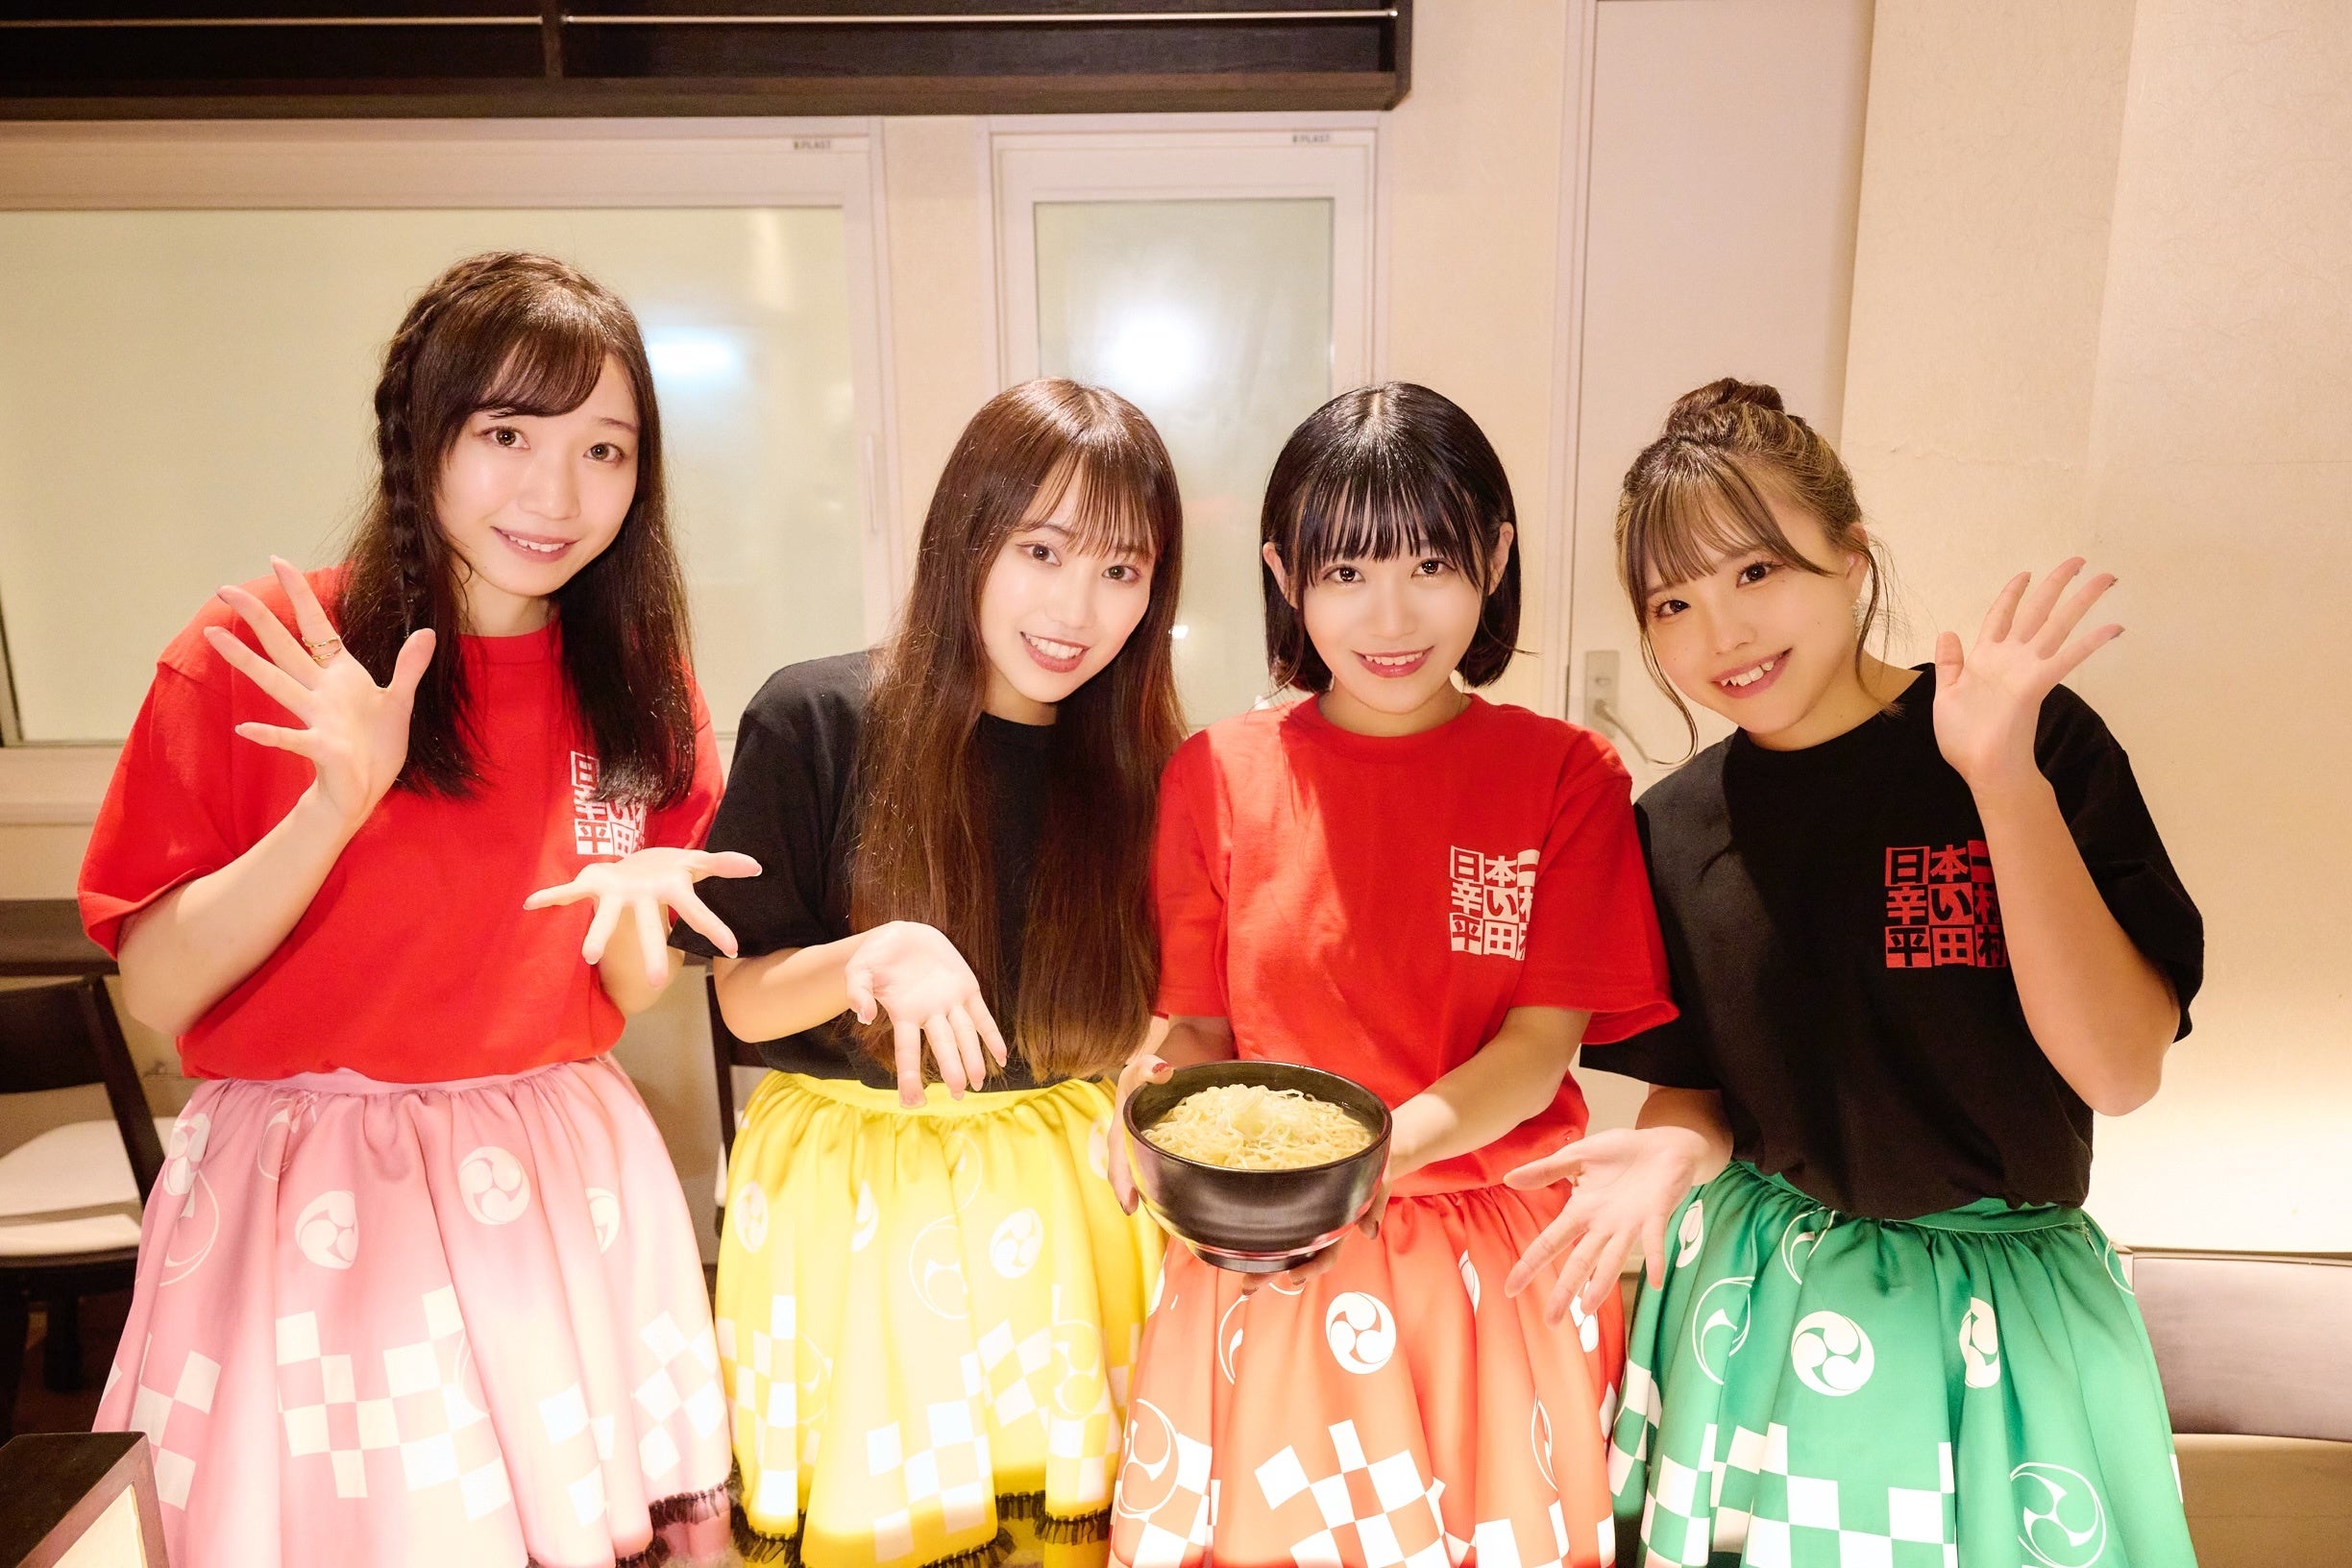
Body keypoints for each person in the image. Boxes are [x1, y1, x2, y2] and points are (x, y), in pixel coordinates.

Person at [80, 252, 749, 1568]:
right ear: (419, 434)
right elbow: (155, 991)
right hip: (315, 1194)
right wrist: (334, 805)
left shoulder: (634, 675)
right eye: (507, 434)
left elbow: (627, 992)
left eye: (604, 450)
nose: (557, 494)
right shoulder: (268, 649)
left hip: (554, 1177)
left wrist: (632, 913)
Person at [1511, 378, 2204, 1567]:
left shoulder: (2028, 740)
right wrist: (1673, 1146)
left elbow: (2120, 1069)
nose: (1721, 632)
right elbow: (1702, 1090)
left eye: (1756, 571)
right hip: (1761, 1299)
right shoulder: (1672, 828)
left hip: (2002, 1308)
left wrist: (2000, 779)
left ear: (1850, 555)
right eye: (1673, 601)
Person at [1107, 383, 1676, 1568]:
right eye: (1346, 572)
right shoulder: (1215, 774)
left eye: (1431, 563)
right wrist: (1150, 1098)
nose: (1392, 614)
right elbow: (1199, 1030)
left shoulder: (1566, 775)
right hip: (1272, 1255)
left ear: (1495, 559)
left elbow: (1537, 1052)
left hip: (1491, 1260)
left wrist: (1361, 1163)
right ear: (1285, 575)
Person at [675, 380, 1180, 1566]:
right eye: (1042, 550)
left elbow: (1161, 1009)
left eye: (1122, 569)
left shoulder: (1146, 765)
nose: (1077, 607)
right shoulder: (817, 716)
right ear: (967, 535)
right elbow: (740, 993)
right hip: (848, 1201)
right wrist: (871, 955)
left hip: (1067, 1207)